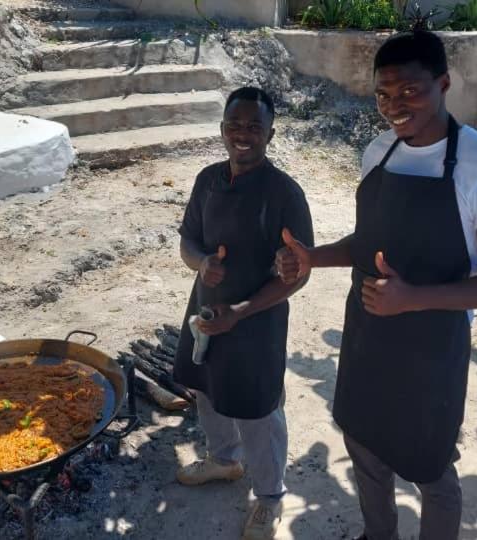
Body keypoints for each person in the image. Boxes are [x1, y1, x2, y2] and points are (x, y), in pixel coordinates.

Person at [276, 31, 477, 540]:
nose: (394, 106)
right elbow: (369, 244)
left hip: (432, 350)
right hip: (368, 332)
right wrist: (314, 258)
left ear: (443, 84)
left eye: (410, 91)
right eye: (383, 94)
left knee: (429, 465)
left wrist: (413, 299)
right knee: (364, 444)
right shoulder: (378, 152)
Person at [172, 86, 315, 540]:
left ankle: (269, 497)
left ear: (271, 133)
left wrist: (241, 310)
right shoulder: (208, 180)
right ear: (222, 130)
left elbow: (299, 274)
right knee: (207, 387)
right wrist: (202, 264)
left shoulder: (285, 194)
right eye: (235, 125)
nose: (243, 134)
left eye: (255, 126)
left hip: (258, 321)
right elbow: (188, 243)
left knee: (258, 409)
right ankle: (224, 461)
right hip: (206, 312)